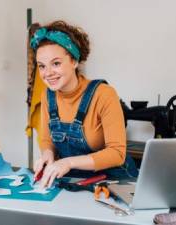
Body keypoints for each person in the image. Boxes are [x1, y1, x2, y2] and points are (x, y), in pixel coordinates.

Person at [31, 20, 138, 188]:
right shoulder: (47, 96)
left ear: (74, 61)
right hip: (75, 182)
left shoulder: (104, 94)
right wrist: (47, 154)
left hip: (116, 181)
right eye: (42, 66)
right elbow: (46, 139)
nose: (48, 73)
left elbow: (117, 153)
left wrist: (67, 163)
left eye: (56, 63)